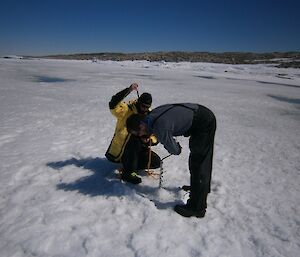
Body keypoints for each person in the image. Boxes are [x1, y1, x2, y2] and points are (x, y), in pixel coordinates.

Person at [126, 103, 216, 218]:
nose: (140, 136)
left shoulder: (159, 127)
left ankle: (197, 208)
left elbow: (175, 150)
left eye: (139, 133)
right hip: (199, 113)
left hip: (203, 122)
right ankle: (199, 189)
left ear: (142, 125)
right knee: (198, 161)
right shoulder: (153, 115)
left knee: (199, 163)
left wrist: (176, 145)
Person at [105, 83, 161, 184]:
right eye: (143, 106)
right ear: (139, 102)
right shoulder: (127, 110)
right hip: (122, 150)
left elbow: (155, 135)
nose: (145, 109)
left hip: (140, 150)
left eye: (147, 107)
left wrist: (149, 140)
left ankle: (130, 164)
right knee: (134, 140)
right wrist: (128, 90)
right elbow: (113, 104)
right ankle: (128, 172)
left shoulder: (149, 116)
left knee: (156, 162)